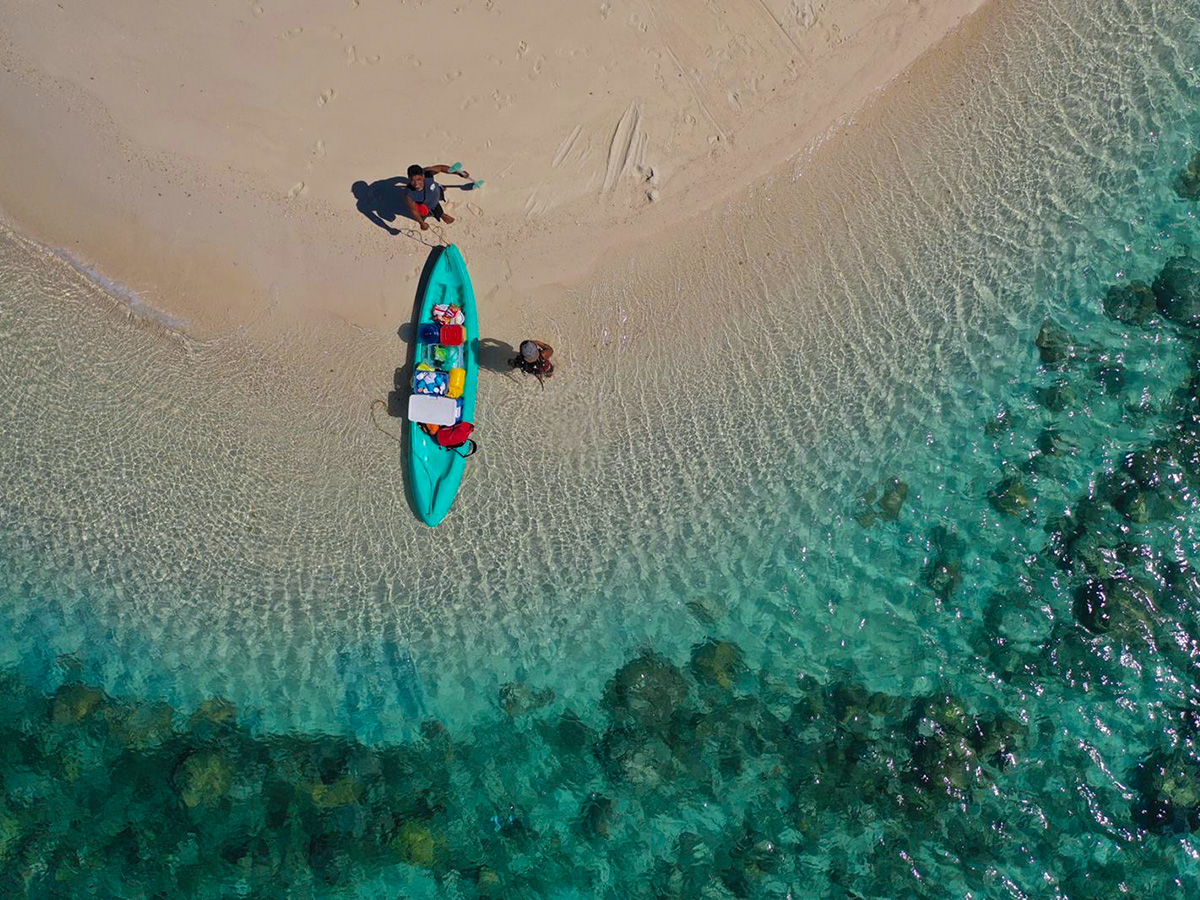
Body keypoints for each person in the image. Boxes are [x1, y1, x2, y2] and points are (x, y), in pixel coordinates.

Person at [405, 163, 472, 230]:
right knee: (434, 209)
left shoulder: (428, 173)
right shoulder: (409, 195)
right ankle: (441, 215)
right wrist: (422, 223)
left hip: (437, 191)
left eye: (418, 179)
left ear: (423, 176)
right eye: (412, 180)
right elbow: (414, 211)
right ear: (409, 178)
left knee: (438, 188)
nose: (416, 184)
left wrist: (458, 173)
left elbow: (441, 168)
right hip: (430, 204)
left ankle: (441, 188)